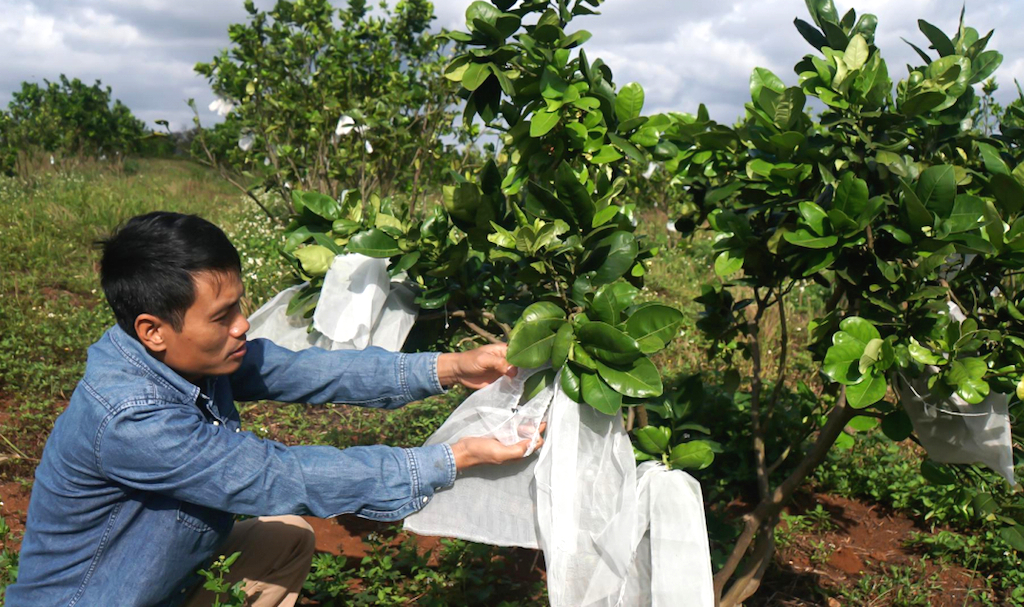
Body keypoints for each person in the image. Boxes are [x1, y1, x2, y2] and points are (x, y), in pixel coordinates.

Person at [6, 211, 540, 607]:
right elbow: (279, 475)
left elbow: (314, 372)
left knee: (285, 539)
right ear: (153, 330)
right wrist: (452, 459)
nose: (241, 325)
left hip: (160, 579)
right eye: (221, 316)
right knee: (285, 507)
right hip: (93, 599)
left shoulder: (179, 354)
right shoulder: (132, 418)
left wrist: (450, 366)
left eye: (238, 304)